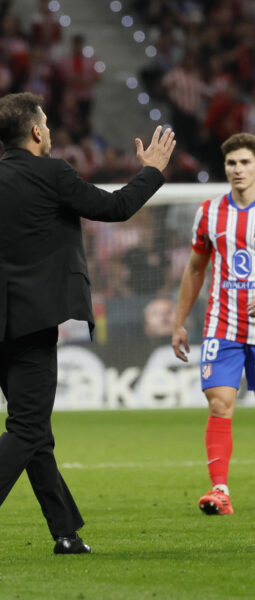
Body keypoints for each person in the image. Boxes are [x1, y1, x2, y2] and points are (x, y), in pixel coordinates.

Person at [0, 92, 175, 553]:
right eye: (46, 123)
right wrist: (152, 171)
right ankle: (64, 530)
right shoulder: (51, 172)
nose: (51, 131)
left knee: (34, 429)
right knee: (27, 428)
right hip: (29, 324)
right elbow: (114, 208)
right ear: (36, 131)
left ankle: (65, 532)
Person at [172, 132, 255, 515]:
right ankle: (220, 490)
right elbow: (195, 268)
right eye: (231, 163)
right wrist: (179, 322)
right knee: (219, 403)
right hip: (221, 324)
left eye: (245, 162)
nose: (237, 169)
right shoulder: (209, 213)